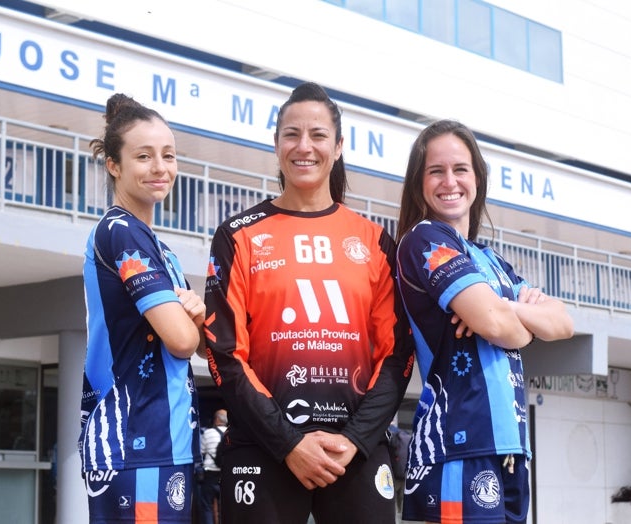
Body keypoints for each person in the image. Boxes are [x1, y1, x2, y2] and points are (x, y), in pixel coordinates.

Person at [203, 81, 414, 524]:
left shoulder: (374, 241)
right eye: (291, 134)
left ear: (338, 147)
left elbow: (396, 356)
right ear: (276, 143)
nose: (304, 147)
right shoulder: (238, 235)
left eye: (318, 135)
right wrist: (289, 443)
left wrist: (354, 439)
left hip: (353, 451)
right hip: (263, 450)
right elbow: (224, 355)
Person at [395, 119, 574, 524]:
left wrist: (503, 309)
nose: (449, 181)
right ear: (418, 183)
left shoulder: (490, 261)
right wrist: (508, 315)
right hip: (456, 448)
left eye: (460, 169)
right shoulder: (424, 240)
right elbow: (498, 326)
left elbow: (562, 322)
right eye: (435, 171)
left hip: (511, 449)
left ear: (477, 177)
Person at [79, 93, 206, 524]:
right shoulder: (120, 231)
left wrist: (196, 316)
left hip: (165, 443)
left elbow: (202, 340)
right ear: (114, 165)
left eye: (168, 155)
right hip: (134, 442)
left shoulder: (160, 248)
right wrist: (192, 319)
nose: (160, 167)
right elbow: (183, 340)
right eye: (144, 156)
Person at [198, 409, 228, 524]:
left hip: (210, 473)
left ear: (216, 419)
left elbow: (202, 452)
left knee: (207, 506)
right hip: (225, 474)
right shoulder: (230, 433)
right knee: (225, 507)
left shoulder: (208, 433)